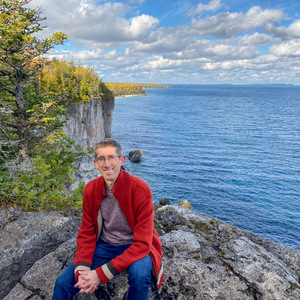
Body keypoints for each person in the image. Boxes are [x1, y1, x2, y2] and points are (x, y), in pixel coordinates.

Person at [53, 138, 164, 300]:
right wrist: (83, 272)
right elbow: (86, 232)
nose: (107, 164)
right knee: (62, 283)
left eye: (111, 157)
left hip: (135, 247)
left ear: (122, 160)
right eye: (101, 159)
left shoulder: (140, 189)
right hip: (105, 245)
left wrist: (99, 274)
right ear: (95, 163)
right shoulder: (91, 189)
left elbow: (143, 244)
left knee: (140, 277)